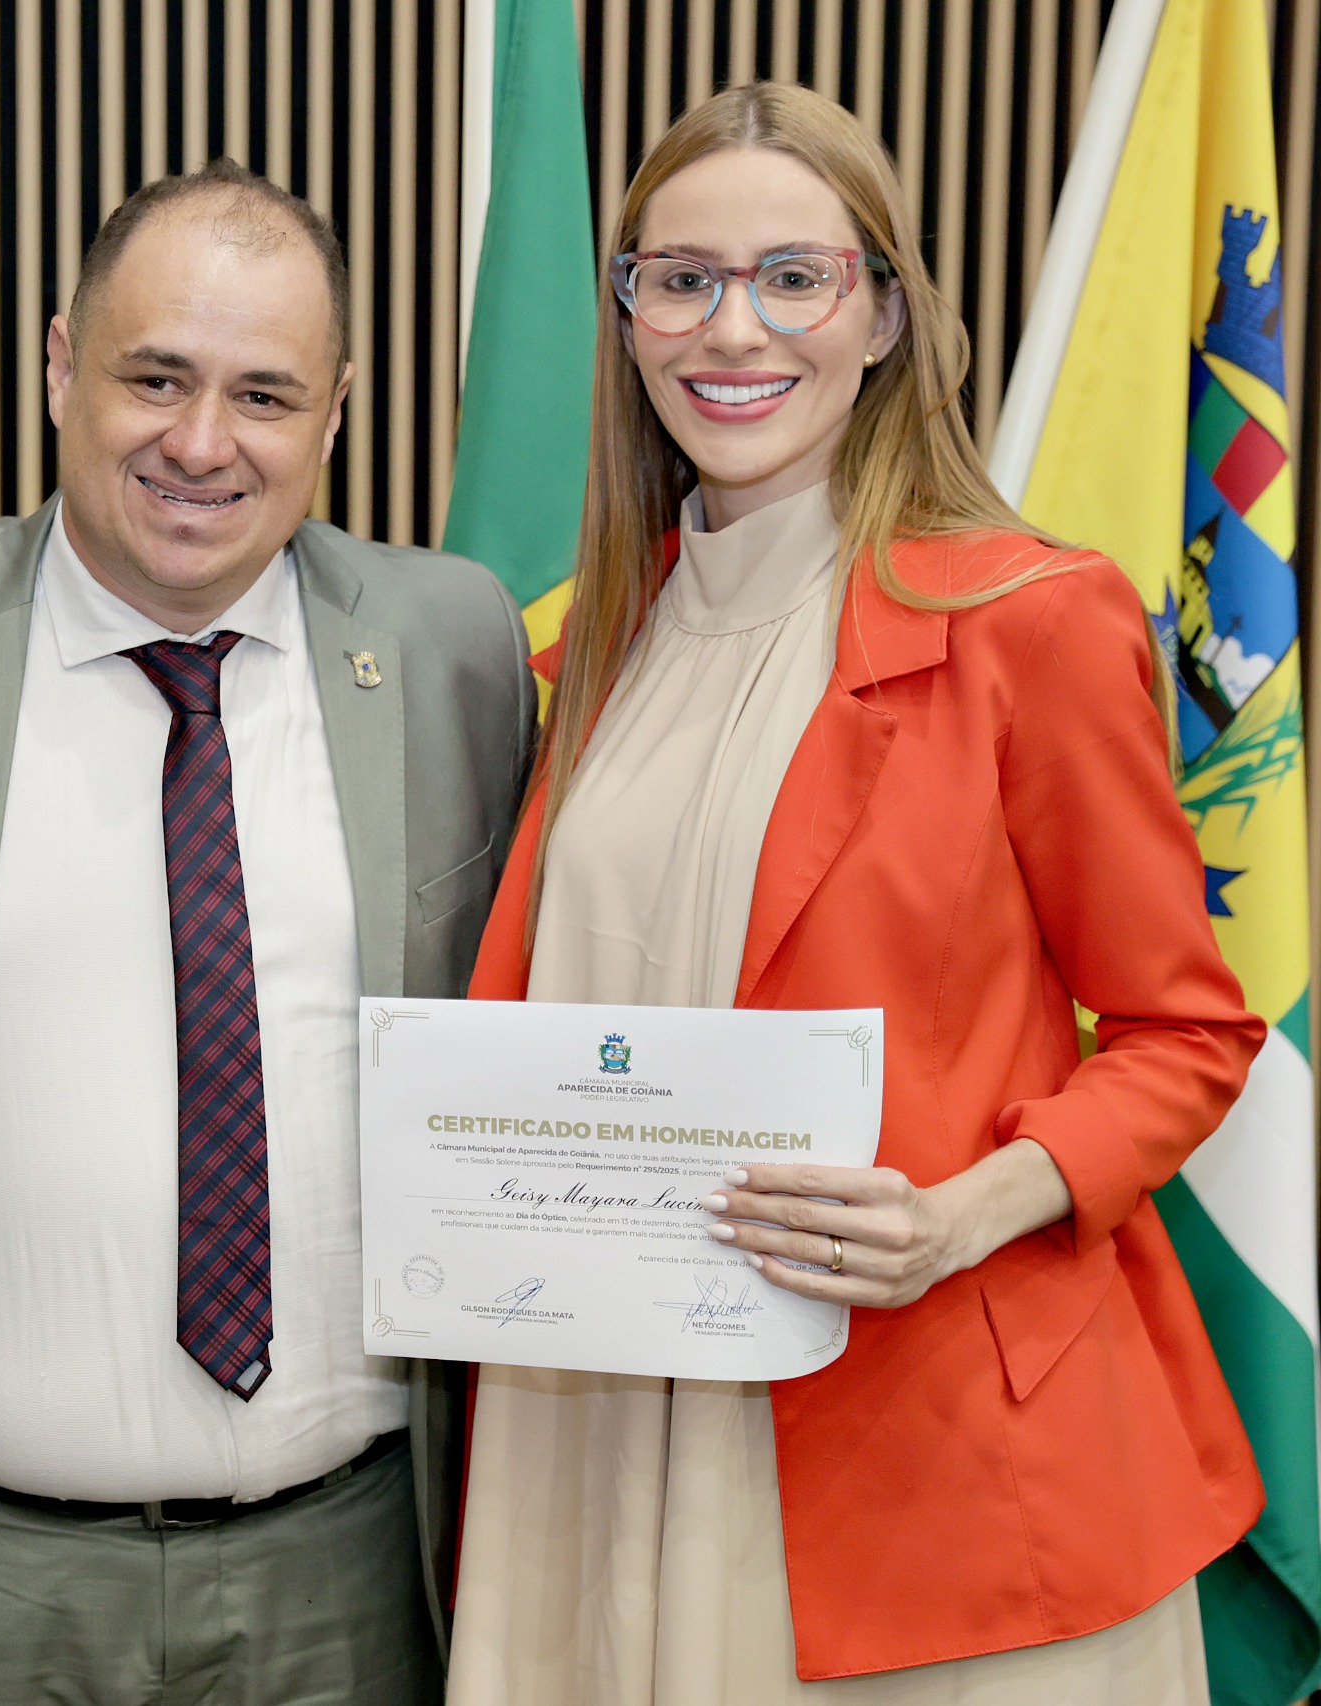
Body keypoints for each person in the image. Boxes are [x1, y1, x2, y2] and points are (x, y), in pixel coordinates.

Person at [447, 81, 1261, 1705]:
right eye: (682, 279)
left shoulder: (1032, 618)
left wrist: (966, 1212)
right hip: (600, 1428)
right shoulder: (602, 637)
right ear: (627, 314)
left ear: (885, 312)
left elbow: (1187, 1031)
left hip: (931, 1452)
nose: (731, 328)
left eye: (793, 276)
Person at [0, 159, 534, 1704]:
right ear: (61, 365)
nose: (200, 442)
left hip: (350, 1571)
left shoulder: (454, 645)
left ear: (335, 413)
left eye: (264, 394)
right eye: (155, 377)